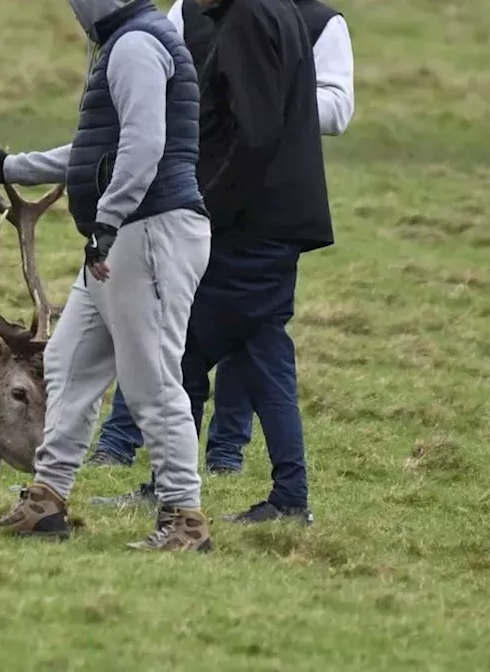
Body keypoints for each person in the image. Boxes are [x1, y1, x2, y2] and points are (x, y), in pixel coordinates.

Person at [91, 0, 337, 525]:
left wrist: (207, 207)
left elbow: (255, 134)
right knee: (260, 355)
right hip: (274, 222)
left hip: (245, 227)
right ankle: (288, 497)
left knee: (189, 353)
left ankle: (174, 489)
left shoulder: (248, 19)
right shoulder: (277, 11)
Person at [0, 0, 215, 551]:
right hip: (126, 238)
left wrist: (108, 221)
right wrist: (11, 166)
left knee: (152, 383)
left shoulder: (134, 46)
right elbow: (93, 152)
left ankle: (186, 519)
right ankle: (47, 500)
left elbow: (143, 146)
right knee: (69, 363)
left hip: (147, 234)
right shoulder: (126, 42)